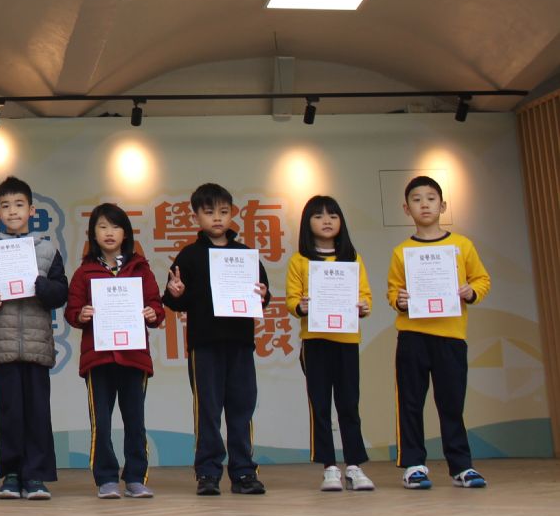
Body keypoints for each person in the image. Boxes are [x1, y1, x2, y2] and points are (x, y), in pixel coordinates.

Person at [161, 182, 270, 497]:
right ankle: (207, 473)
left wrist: (263, 294)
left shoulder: (245, 255)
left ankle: (244, 471)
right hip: (204, 344)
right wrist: (175, 293)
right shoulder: (189, 255)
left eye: (223, 211)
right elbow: (175, 298)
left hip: (240, 343)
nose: (217, 218)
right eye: (209, 212)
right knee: (207, 410)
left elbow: (262, 294)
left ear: (232, 214)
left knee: (242, 408)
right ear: (196, 216)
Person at [387, 175, 491, 489]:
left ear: (443, 206)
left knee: (451, 404)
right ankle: (413, 466)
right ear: (406, 209)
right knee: (410, 403)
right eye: (417, 199)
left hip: (451, 336)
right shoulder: (402, 251)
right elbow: (393, 291)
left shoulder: (461, 245)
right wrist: (400, 300)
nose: (425, 205)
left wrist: (471, 292)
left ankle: (461, 466)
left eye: (431, 199)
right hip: (412, 336)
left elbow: (482, 280)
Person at [0, 175, 67, 500]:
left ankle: (36, 476)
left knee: (38, 412)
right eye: (5, 206)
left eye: (19, 205)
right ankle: (12, 475)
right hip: (4, 344)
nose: (12, 211)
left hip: (38, 345)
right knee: (10, 411)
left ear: (31, 210)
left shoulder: (47, 249)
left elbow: (61, 292)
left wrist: (43, 287)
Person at [64, 203, 163, 499]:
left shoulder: (141, 269)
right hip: (98, 358)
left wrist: (152, 313)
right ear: (93, 233)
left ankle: (135, 477)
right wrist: (81, 315)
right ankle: (106, 478)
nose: (109, 232)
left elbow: (156, 306)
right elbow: (72, 311)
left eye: (116, 226)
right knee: (101, 423)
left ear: (126, 233)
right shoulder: (84, 272)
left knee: (135, 422)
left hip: (134, 357)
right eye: (103, 226)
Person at [284, 195, 374, 493]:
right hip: (315, 342)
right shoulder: (300, 260)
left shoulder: (352, 258)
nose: (327, 221)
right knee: (320, 405)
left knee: (349, 404)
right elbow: (291, 299)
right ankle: (329, 467)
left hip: (346, 341)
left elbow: (366, 296)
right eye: (319, 216)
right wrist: (301, 306)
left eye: (333, 216)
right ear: (307, 223)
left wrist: (363, 306)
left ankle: (355, 466)